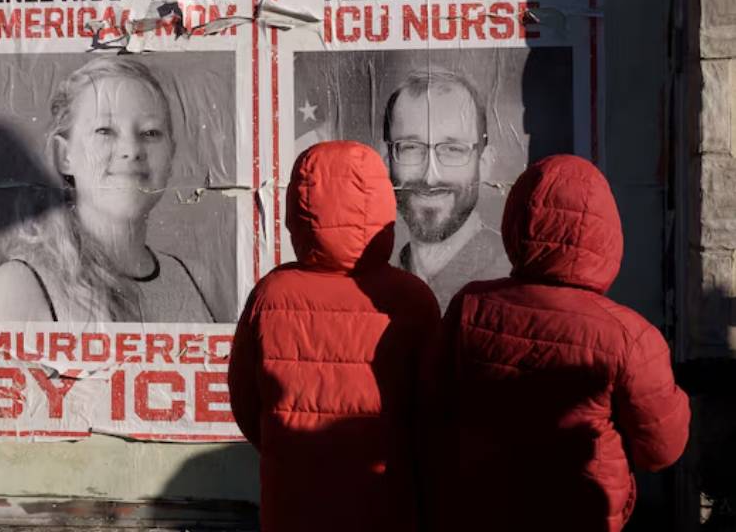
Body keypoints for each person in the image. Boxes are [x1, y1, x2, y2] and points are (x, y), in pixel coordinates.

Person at [423, 154, 690, 532]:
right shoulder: (630, 337)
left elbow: (432, 410)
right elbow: (661, 450)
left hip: (481, 512)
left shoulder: (470, 306)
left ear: (517, 220)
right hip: (582, 515)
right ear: (606, 232)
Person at [228, 141, 442, 532]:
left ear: (299, 207)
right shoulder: (412, 299)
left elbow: (245, 401)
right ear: (382, 203)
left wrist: (288, 450)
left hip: (293, 503)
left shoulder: (271, 294)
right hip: (384, 501)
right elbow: (433, 412)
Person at [0, 56, 212, 323]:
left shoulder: (196, 280)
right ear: (64, 156)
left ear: (171, 154)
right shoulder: (19, 286)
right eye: (105, 131)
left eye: (150, 133)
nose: (131, 150)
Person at [383, 69, 511, 308]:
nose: (430, 177)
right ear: (386, 161)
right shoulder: (379, 283)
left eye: (453, 150)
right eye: (411, 147)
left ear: (484, 164)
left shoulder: (511, 279)